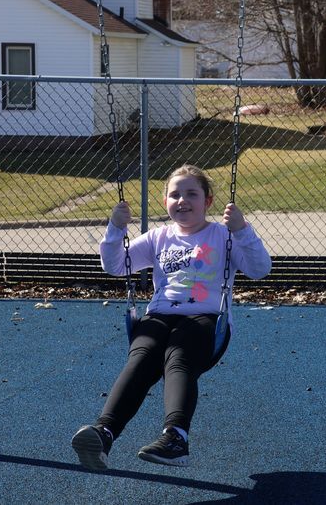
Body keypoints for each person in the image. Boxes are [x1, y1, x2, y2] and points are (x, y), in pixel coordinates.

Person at [71, 164, 271, 469]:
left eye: (192, 193)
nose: (183, 200)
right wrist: (115, 228)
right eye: (175, 194)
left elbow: (260, 269)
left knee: (178, 355)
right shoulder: (158, 238)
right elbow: (115, 265)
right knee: (142, 357)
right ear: (165, 202)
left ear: (209, 201)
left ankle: (176, 438)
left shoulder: (222, 235)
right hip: (160, 315)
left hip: (205, 319)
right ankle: (103, 433)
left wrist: (242, 230)